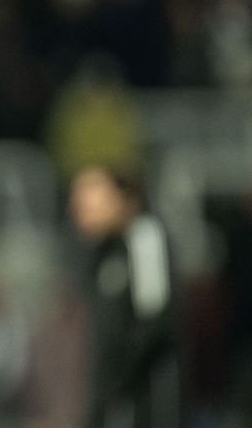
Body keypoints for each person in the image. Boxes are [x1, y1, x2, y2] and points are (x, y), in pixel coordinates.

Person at [69, 165, 181, 428]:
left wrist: (118, 381)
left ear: (124, 196)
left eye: (91, 191)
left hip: (143, 395)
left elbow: (154, 321)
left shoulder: (145, 237)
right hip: (109, 394)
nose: (80, 205)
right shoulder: (102, 251)